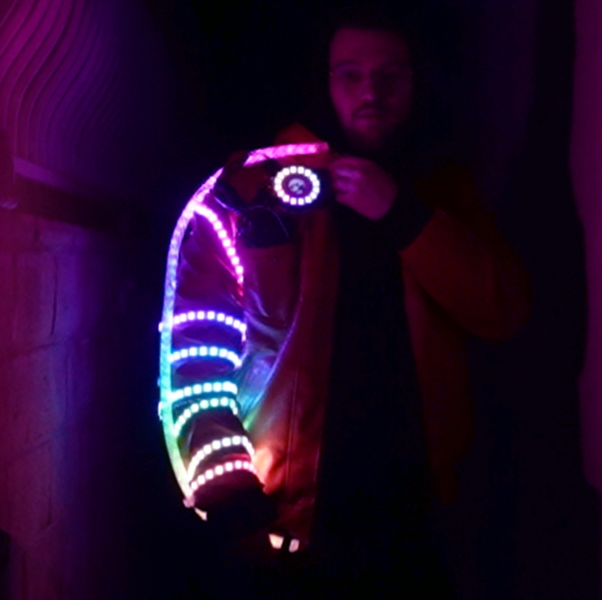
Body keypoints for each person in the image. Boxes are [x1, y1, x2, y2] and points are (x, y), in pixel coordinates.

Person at [163, 7, 530, 598]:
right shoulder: (249, 192)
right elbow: (195, 352)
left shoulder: (446, 190)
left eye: (390, 76)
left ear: (417, 81)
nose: (371, 94)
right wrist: (226, 486)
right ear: (323, 80)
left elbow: (501, 311)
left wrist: (405, 216)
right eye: (351, 75)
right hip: (287, 522)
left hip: (419, 521)